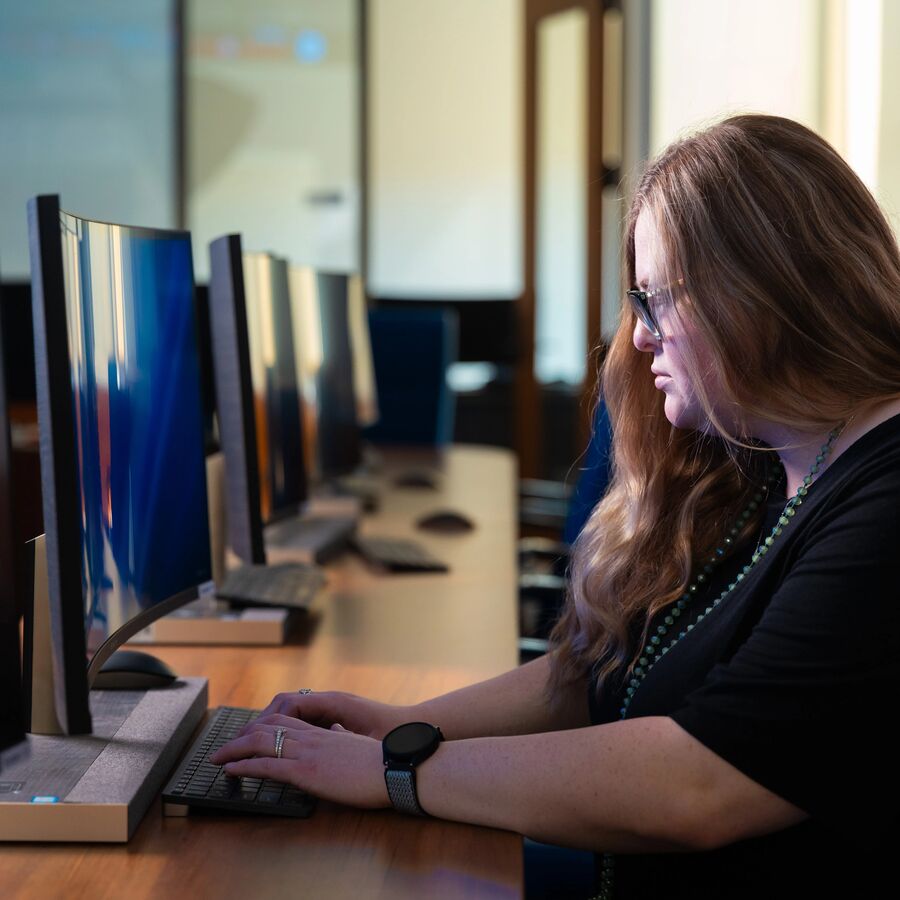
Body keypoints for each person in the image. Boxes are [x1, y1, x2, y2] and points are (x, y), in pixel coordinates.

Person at [211, 115, 900, 898]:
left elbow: (703, 783)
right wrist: (399, 724)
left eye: (657, 300)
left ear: (761, 292)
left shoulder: (884, 502)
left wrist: (394, 770)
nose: (638, 341)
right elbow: (596, 673)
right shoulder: (764, 469)